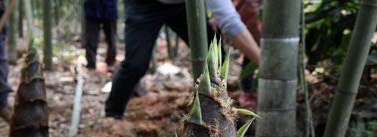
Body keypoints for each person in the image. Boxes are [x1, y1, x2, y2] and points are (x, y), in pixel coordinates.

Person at [104, 0, 261, 119]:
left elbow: (230, 22)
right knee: (135, 64)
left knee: (214, 56)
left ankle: (217, 113)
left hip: (186, 5)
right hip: (144, 3)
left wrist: (263, 64)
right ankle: (112, 114)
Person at [84, 0, 118, 70]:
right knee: (91, 39)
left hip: (109, 8)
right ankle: (91, 65)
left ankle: (110, 63)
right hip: (92, 8)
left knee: (111, 38)